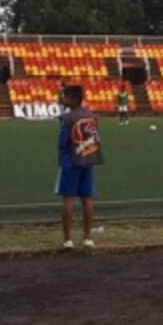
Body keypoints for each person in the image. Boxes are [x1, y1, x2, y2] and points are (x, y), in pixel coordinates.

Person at [56, 85, 103, 250]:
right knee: (87, 199)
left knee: (68, 199)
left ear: (73, 99)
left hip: (71, 161)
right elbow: (96, 139)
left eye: (66, 97)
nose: (63, 99)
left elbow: (62, 143)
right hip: (88, 160)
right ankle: (87, 238)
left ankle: (68, 240)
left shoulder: (67, 118)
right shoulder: (92, 116)